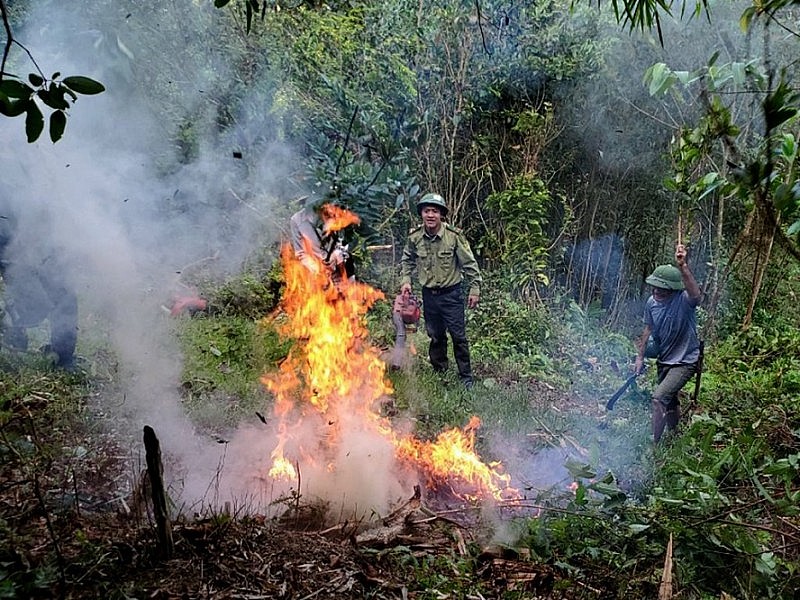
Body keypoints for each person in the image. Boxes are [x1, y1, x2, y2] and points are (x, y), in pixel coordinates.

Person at [400, 193, 482, 388]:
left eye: (434, 211)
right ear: (421, 213)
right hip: (429, 295)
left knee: (458, 336)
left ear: (441, 215)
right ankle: (439, 370)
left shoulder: (453, 237)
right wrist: (406, 280)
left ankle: (466, 377)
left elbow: (469, 263)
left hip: (451, 295)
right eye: (426, 211)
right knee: (435, 335)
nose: (430, 215)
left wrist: (475, 287)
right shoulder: (415, 237)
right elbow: (407, 259)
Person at [634, 243, 702, 443]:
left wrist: (682, 266)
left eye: (663, 288)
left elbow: (696, 295)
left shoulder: (684, 301)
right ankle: (674, 436)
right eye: (655, 286)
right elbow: (648, 330)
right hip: (665, 359)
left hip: (685, 361)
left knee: (658, 398)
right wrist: (640, 357)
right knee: (670, 401)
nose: (657, 291)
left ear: (673, 290)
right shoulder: (651, 303)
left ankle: (654, 445)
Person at [0, 211, 79, 370]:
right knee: (34, 303)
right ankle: (12, 336)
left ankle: (63, 359)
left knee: (65, 296)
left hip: (36, 244)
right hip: (10, 246)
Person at [289, 199, 354, 280]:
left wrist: (338, 255)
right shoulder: (296, 220)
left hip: (341, 267)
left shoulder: (334, 212)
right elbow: (300, 253)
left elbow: (343, 241)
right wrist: (316, 268)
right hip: (317, 273)